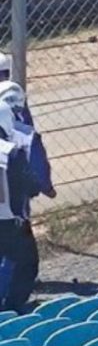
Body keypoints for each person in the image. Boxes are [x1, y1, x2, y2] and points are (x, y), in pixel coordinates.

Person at [0, 102, 40, 311]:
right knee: (26, 263)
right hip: (9, 222)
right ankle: (13, 307)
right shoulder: (11, 153)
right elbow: (29, 186)